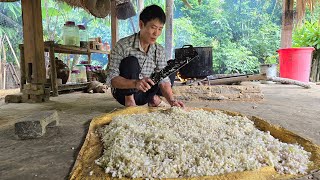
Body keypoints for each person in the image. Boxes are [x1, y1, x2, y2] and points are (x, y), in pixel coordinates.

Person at [106, 4, 184, 107]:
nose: (156, 33)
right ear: (141, 24)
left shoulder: (159, 50)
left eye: (160, 29)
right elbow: (112, 79)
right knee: (130, 61)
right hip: (123, 93)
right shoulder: (123, 46)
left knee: (170, 67)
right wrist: (135, 83)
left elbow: (163, 80)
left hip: (146, 93)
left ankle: (153, 98)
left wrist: (172, 101)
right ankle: (130, 102)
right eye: (153, 27)